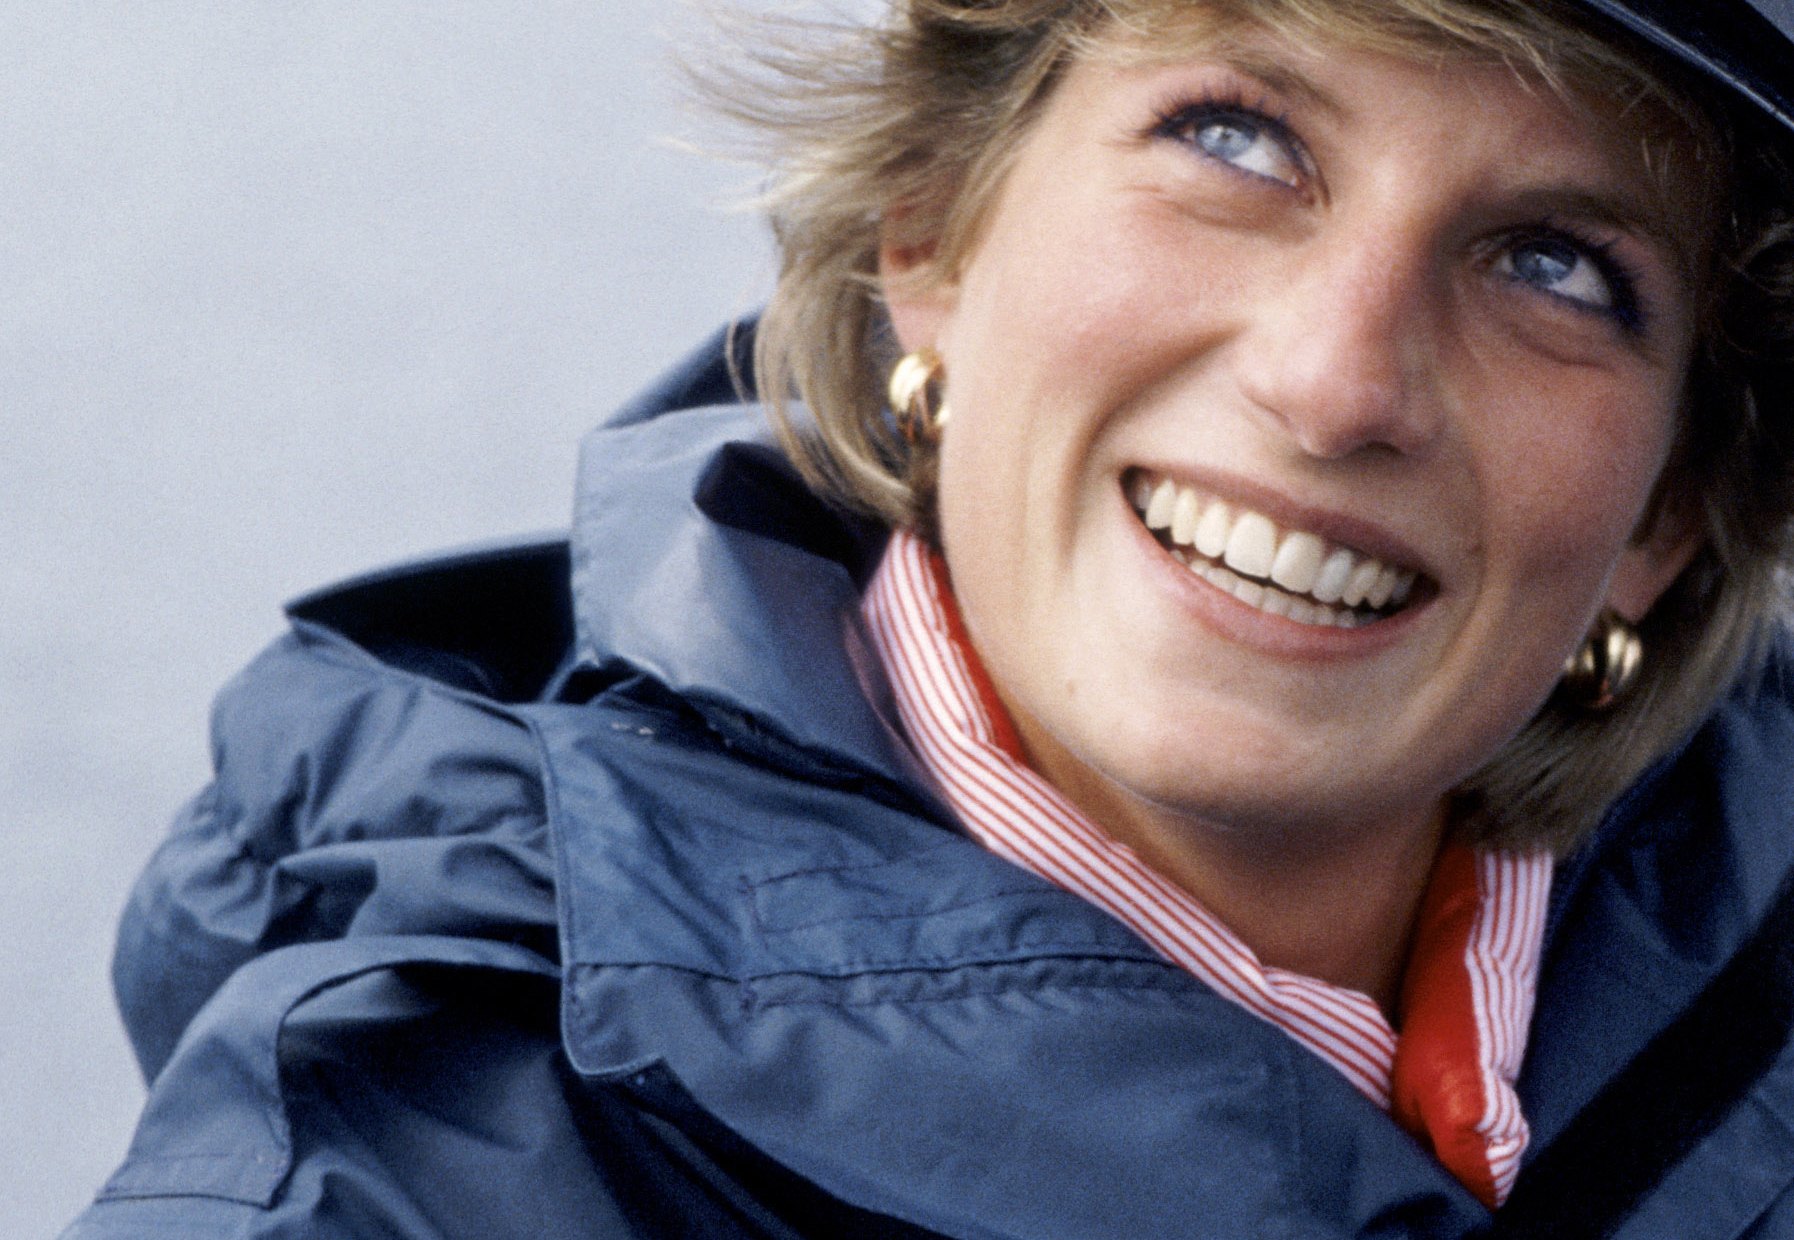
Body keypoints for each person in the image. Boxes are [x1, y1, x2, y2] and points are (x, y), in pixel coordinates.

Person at [61, 1, 1794, 1236]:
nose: (1336, 382)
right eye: (1234, 137)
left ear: (1672, 511)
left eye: (1557, 266)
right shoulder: (401, 1197)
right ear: (931, 231)